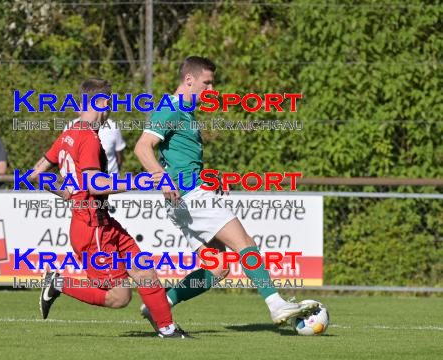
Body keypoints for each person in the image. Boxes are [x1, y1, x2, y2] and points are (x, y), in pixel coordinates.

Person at [134, 56, 318, 331]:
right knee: (245, 243)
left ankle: (159, 305)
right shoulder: (170, 109)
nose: (210, 90)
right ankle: (276, 304)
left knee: (217, 267)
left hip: (184, 199)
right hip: (190, 196)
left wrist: (209, 177)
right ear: (189, 80)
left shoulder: (185, 111)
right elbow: (142, 147)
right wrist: (163, 180)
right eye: (206, 83)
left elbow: (181, 159)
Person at [30, 78, 190, 338]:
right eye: (110, 102)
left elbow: (35, 175)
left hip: (102, 223)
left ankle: (167, 329)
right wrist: (140, 181)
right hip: (92, 231)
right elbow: (95, 184)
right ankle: (58, 283)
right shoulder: (89, 139)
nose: (112, 107)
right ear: (102, 103)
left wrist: (71, 195)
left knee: (144, 269)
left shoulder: (68, 134)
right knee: (119, 297)